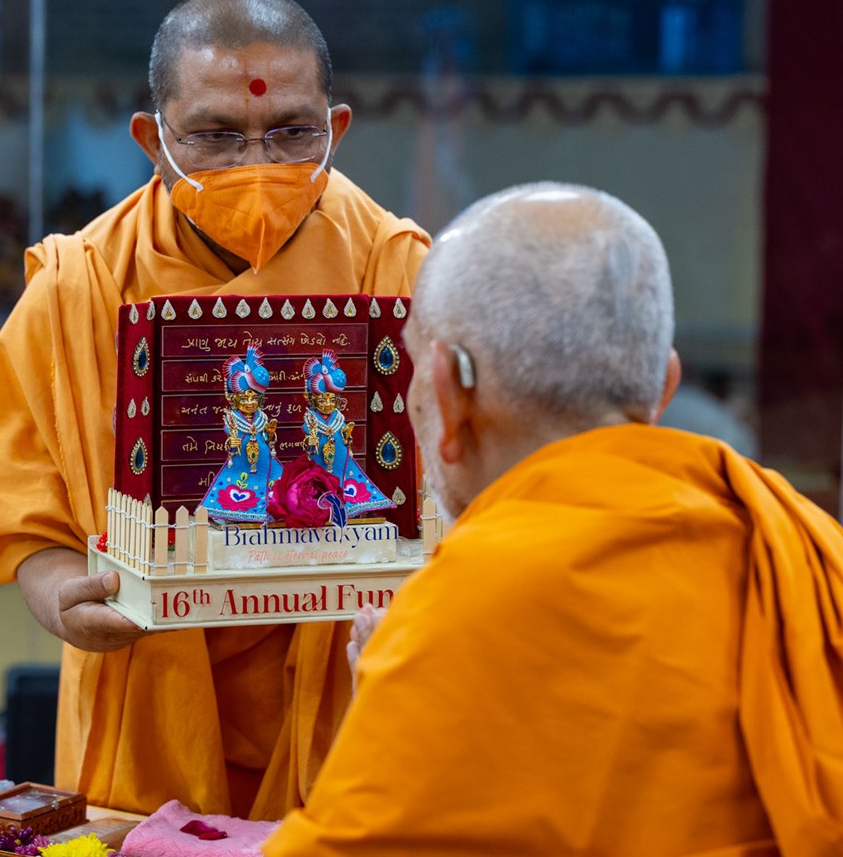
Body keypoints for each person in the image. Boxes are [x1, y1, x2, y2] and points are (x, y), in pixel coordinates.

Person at [0, 0, 430, 819]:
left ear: (337, 128)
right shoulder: (79, 288)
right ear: (154, 140)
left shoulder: (398, 273)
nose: (257, 163)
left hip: (350, 688)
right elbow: (22, 517)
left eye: (291, 132)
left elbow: (463, 489)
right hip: (147, 693)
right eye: (215, 136)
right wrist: (65, 596)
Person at [263, 183, 843, 855]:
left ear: (447, 393)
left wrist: (387, 704)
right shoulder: (806, 544)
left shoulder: (465, 606)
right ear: (664, 387)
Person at [301, 350, 394, 516]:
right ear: (313, 401)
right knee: (318, 483)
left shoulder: (339, 419)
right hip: (319, 458)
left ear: (338, 401)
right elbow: (308, 440)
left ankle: (347, 504)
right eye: (322, 400)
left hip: (340, 457)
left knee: (344, 480)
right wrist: (311, 441)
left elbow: (345, 435)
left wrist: (347, 437)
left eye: (332, 400)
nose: (327, 404)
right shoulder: (311, 420)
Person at [199, 348, 282, 524]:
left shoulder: (262, 418)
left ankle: (269, 511)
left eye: (254, 399)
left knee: (274, 483)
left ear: (260, 400)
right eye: (244, 399)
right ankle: (236, 514)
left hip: (264, 460)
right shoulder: (233, 419)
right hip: (241, 460)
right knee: (238, 483)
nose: (250, 403)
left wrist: (270, 434)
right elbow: (230, 440)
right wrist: (232, 442)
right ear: (235, 400)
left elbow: (268, 440)